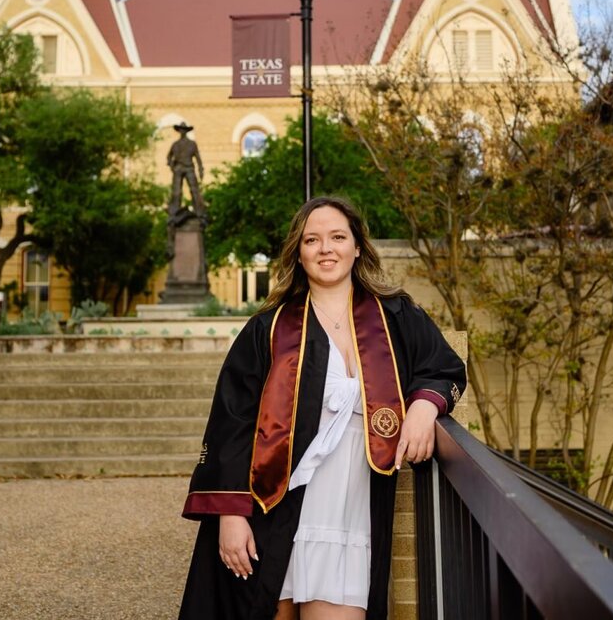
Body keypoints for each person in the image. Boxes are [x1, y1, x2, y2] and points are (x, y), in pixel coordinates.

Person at [178, 196, 467, 620]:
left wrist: (425, 407)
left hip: (351, 513)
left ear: (357, 247)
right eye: (312, 240)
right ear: (299, 252)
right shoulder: (270, 328)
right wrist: (230, 516)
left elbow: (444, 367)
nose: (325, 248)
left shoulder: (394, 315)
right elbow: (231, 424)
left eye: (337, 237)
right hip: (272, 510)